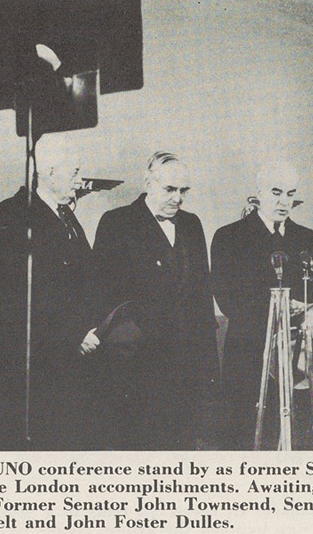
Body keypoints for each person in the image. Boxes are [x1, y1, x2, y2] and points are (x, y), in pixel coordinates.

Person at [92, 151, 218, 450]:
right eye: (170, 189)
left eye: (183, 190)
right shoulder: (117, 222)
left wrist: (208, 368)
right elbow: (101, 292)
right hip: (138, 368)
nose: (178, 198)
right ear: (148, 183)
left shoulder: (192, 224)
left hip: (185, 367)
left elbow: (202, 295)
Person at [0, 160, 101, 451]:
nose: (80, 179)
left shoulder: (65, 217)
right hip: (36, 362)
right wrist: (75, 334)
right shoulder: (12, 215)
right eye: (74, 170)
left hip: (68, 360)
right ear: (48, 173)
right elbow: (23, 293)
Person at [211, 163, 313, 450]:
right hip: (249, 355)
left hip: (298, 360)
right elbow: (228, 299)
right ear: (258, 193)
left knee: (296, 438)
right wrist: (284, 307)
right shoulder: (229, 237)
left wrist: (312, 311)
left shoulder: (309, 240)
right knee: (245, 439)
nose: (283, 201)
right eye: (275, 192)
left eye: (290, 194)